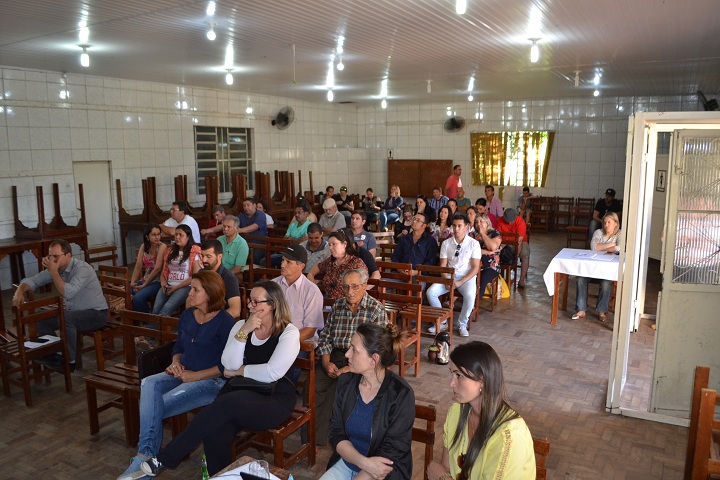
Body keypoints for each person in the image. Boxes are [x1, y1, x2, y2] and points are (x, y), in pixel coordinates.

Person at [141, 281, 300, 477]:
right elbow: (229, 363)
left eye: (256, 302)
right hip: (241, 395)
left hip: (274, 399)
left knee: (225, 403)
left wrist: (238, 372)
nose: (250, 305)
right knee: (214, 433)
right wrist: (244, 333)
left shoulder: (289, 332)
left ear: (273, 305)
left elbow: (272, 372)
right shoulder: (241, 326)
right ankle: (221, 477)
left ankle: (167, 457)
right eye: (249, 300)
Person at [117, 270, 235, 480]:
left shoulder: (225, 322)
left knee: (156, 407)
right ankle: (145, 457)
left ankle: (143, 464)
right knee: (148, 383)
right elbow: (178, 346)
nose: (189, 292)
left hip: (211, 381)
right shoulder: (188, 315)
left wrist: (195, 376)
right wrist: (175, 362)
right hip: (182, 372)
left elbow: (226, 366)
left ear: (210, 293)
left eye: (195, 289)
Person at [426, 342, 535, 480]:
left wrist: (442, 478)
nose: (451, 383)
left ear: (482, 380)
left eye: (458, 376)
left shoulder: (509, 436)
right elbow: (446, 467)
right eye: (452, 375)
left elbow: (443, 473)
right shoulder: (456, 413)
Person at [322, 323, 415, 480]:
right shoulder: (345, 382)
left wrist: (362, 473)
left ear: (374, 359)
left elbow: (392, 450)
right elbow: (336, 432)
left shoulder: (401, 394)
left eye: (354, 350)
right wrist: (363, 462)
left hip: (384, 472)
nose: (347, 355)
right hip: (349, 462)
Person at [314, 269, 389, 446]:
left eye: (354, 286)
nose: (349, 292)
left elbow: (381, 348)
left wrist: (352, 367)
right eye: (346, 287)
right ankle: (315, 440)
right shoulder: (338, 306)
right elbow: (325, 336)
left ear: (364, 286)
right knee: (316, 387)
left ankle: (344, 441)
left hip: (361, 361)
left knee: (345, 391)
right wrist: (326, 361)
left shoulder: (375, 309)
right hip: (335, 355)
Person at [12, 239, 107, 372]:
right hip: (74, 312)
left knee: (66, 318)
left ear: (68, 256)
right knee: (39, 317)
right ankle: (53, 353)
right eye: (50, 256)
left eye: (56, 257)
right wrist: (19, 290)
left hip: (96, 314)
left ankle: (69, 361)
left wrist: (54, 272)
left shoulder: (82, 269)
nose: (52, 260)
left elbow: (68, 293)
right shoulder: (57, 267)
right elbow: (34, 280)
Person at [427, 214, 481, 338]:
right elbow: (443, 265)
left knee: (470, 296)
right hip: (449, 276)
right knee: (431, 292)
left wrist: (461, 281)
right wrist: (447, 279)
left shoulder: (474, 244)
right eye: (454, 226)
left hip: (466, 278)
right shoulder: (446, 243)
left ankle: (462, 323)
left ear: (466, 227)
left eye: (459, 226)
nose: (456, 229)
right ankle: (443, 320)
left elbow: (475, 267)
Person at [573, 212, 621, 322]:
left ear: (616, 223)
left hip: (607, 270)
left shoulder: (619, 234)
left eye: (609, 222)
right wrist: (612, 245)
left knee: (605, 283)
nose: (606, 225)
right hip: (592, 268)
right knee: (580, 279)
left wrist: (602, 246)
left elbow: (619, 248)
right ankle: (581, 309)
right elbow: (594, 247)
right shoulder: (598, 232)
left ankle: (601, 310)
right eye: (604, 222)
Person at [272, 245, 324, 345]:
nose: (282, 265)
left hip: (300, 342)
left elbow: (310, 330)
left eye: (288, 262)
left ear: (301, 266)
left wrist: (284, 343)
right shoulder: (273, 285)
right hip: (273, 339)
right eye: (282, 260)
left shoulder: (311, 291)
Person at [153, 224, 201, 316]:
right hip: (168, 285)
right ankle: (152, 329)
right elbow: (164, 271)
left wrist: (176, 288)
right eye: (176, 235)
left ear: (188, 237)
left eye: (181, 235)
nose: (177, 237)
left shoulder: (194, 252)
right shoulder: (170, 251)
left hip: (184, 287)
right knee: (155, 310)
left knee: (166, 309)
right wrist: (163, 283)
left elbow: (195, 276)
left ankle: (156, 329)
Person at [308, 230, 368, 300]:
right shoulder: (331, 261)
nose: (330, 248)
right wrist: (310, 275)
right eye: (329, 245)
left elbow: (360, 288)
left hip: (347, 304)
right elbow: (317, 267)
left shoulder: (356, 263)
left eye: (334, 244)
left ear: (344, 244)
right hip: (328, 303)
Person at [196, 240, 242, 319]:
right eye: (202, 256)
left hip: (219, 321)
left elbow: (235, 310)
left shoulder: (229, 278)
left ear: (219, 256)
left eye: (208, 256)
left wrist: (213, 321)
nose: (204, 260)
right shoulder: (201, 273)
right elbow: (191, 299)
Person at [130, 224, 168, 313]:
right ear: (147, 236)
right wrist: (133, 282)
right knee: (129, 292)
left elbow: (158, 268)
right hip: (146, 279)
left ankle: (149, 318)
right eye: (153, 234)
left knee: (137, 298)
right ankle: (138, 319)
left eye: (158, 234)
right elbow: (138, 265)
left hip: (158, 281)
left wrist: (144, 285)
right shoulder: (144, 246)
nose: (157, 237)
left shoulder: (162, 246)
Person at [496, 209, 530, 289]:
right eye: (508, 221)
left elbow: (519, 241)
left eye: (512, 221)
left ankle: (521, 280)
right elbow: (498, 238)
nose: (510, 223)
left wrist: (515, 257)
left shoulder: (520, 221)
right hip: (505, 243)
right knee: (500, 255)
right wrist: (498, 251)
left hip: (520, 243)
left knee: (525, 257)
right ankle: (500, 278)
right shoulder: (500, 221)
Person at [473, 213, 503, 299]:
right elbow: (469, 251)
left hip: (491, 266)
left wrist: (482, 234)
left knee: (481, 280)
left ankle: (474, 304)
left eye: (481, 221)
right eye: (476, 222)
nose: (478, 224)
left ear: (487, 223)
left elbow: (492, 247)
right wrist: (486, 251)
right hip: (474, 265)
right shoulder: (473, 235)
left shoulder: (495, 233)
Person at [238, 198, 268, 265]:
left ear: (254, 205)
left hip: (259, 245)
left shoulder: (261, 214)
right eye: (244, 206)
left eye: (248, 205)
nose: (246, 207)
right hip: (245, 244)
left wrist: (240, 230)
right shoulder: (242, 215)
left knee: (255, 257)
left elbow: (255, 226)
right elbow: (234, 223)